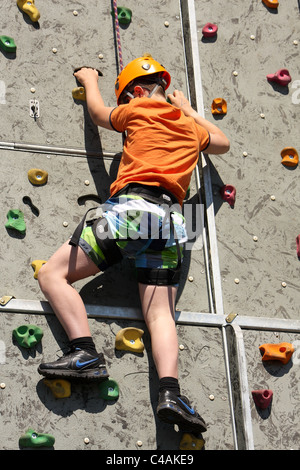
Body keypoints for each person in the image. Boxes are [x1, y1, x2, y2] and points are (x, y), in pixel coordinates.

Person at [37, 56, 230, 435]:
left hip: (135, 209)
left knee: (52, 274)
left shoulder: (139, 108)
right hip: (176, 224)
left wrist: (90, 79)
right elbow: (222, 143)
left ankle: (85, 354)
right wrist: (190, 111)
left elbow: (97, 113)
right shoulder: (190, 127)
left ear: (138, 92)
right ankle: (171, 393)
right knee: (160, 316)